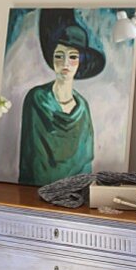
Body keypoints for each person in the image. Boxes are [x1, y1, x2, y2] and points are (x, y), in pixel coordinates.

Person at [18, 10, 105, 186]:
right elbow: (29, 158)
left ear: (80, 61)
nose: (65, 63)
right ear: (52, 58)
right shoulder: (36, 98)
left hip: (74, 194)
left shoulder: (83, 108)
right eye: (59, 55)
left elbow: (85, 162)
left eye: (72, 57)